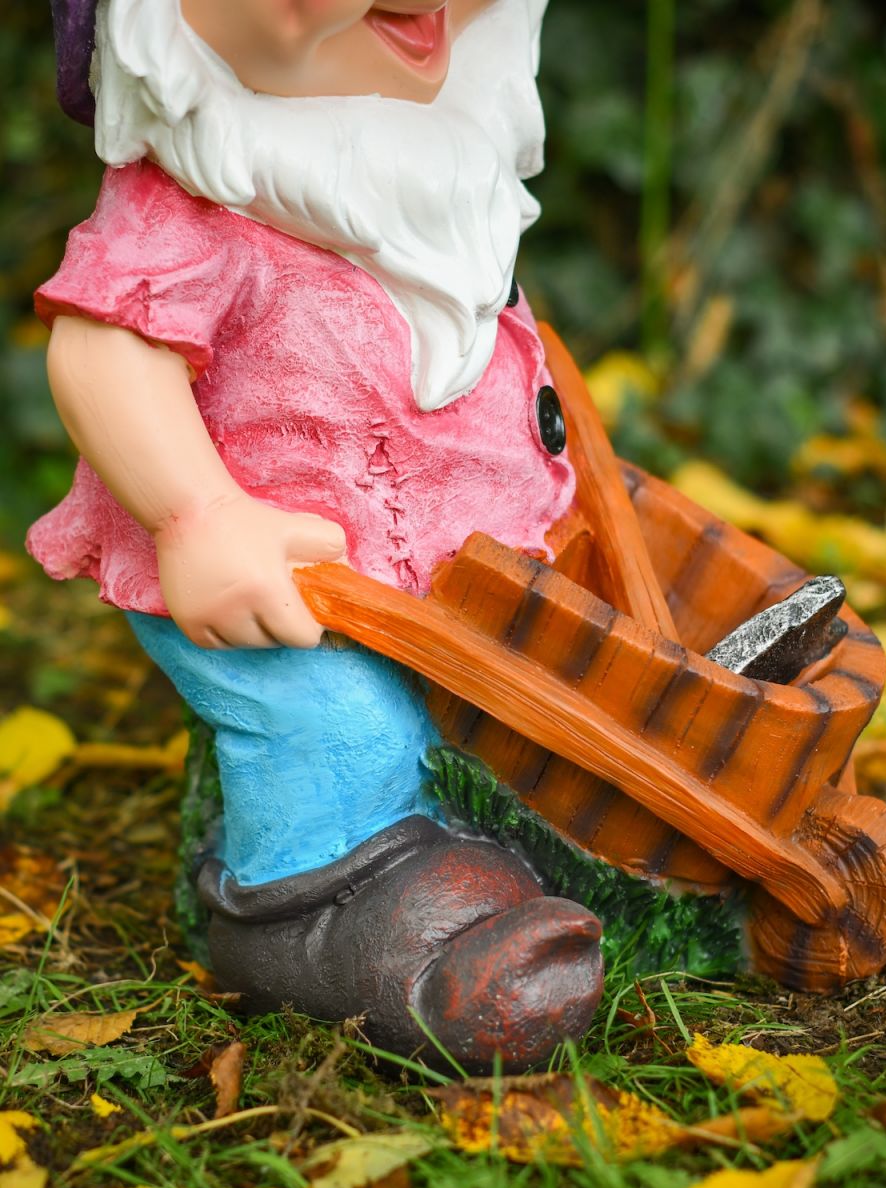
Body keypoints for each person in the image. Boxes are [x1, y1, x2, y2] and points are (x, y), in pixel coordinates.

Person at [31, 0, 604, 1071]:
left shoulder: (439, 186)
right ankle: (322, 915)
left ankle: (502, 853)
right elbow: (105, 356)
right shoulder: (197, 215)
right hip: (280, 593)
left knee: (509, 714)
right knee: (343, 731)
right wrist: (197, 513)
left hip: (462, 582)